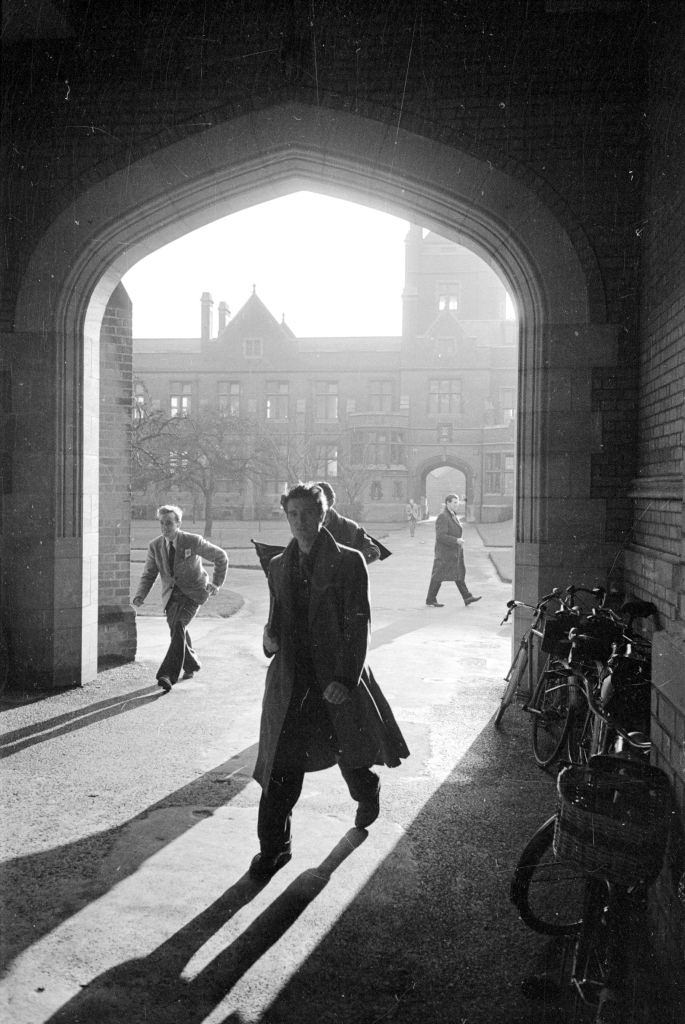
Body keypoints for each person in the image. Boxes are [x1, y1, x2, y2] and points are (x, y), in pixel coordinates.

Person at [250, 482, 409, 881]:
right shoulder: (278, 566)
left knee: (347, 753)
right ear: (286, 516)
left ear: (324, 515)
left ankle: (366, 788)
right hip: (290, 685)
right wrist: (268, 641)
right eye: (292, 515)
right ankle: (274, 848)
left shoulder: (350, 562)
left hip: (336, 681)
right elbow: (274, 623)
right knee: (280, 770)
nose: (300, 522)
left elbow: (359, 625)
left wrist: (345, 678)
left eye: (307, 514)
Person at [132, 504, 228, 692]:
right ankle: (191, 664)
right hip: (171, 597)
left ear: (178, 523)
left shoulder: (192, 541)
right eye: (161, 523)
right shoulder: (155, 546)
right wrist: (140, 595)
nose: (165, 527)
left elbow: (221, 557)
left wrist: (216, 583)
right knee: (177, 630)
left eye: (169, 523)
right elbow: (149, 574)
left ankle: (167, 675)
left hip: (194, 593)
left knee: (178, 626)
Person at [425, 494, 481, 608]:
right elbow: (440, 536)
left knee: (458, 573)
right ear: (448, 503)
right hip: (445, 553)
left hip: (454, 552)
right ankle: (430, 599)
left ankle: (467, 597)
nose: (457, 504)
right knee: (438, 576)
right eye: (455, 502)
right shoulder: (443, 516)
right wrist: (456, 540)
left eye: (458, 502)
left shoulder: (452, 515)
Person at [316, 480, 388, 563]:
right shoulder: (301, 526)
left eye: (319, 502)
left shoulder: (348, 527)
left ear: (330, 502)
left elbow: (374, 551)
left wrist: (349, 563)